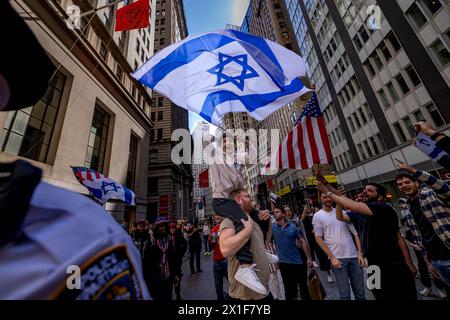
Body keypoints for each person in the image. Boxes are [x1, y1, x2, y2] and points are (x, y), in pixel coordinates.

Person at [318, 178, 418, 300]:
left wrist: (409, 263)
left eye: (370, 191)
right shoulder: (360, 213)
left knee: (401, 295)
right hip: (373, 265)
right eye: (364, 190)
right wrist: (328, 186)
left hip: (392, 264)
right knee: (378, 294)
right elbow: (341, 214)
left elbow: (399, 238)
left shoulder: (382, 207)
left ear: (380, 197)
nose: (365, 192)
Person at [204, 133, 276, 294]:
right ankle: (244, 266)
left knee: (256, 215)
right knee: (243, 223)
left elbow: (240, 180)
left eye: (231, 143)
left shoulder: (236, 162)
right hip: (221, 201)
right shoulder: (216, 158)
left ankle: (261, 251)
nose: (228, 145)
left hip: (232, 200)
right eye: (225, 143)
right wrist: (210, 139)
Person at [395, 162, 450, 293]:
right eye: (400, 184)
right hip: (436, 260)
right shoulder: (407, 209)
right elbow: (420, 238)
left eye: (407, 182)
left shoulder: (431, 195)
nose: (404, 185)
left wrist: (412, 170)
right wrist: (429, 263)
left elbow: (443, 188)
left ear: (417, 183)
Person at [219, 189, 273, 301]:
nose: (251, 198)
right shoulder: (229, 221)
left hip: (263, 290)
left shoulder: (254, 219)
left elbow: (268, 238)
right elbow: (225, 249)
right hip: (243, 295)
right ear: (239, 200)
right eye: (248, 196)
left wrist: (267, 219)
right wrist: (248, 229)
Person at [313, 193, 366, 300]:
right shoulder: (317, 216)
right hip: (338, 259)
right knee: (345, 294)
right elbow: (318, 238)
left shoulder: (343, 213)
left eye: (329, 197)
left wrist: (360, 253)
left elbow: (355, 234)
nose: (328, 199)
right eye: (325, 197)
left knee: (360, 293)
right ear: (320, 199)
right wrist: (332, 257)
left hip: (354, 257)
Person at [271, 207, 313, 300]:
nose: (275, 214)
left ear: (283, 214)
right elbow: (268, 240)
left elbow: (302, 241)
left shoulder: (293, 227)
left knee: (303, 287)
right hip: (284, 263)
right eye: (274, 212)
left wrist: (309, 258)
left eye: (277, 212)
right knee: (289, 289)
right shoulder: (273, 228)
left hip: (297, 262)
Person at [143, 219, 175, 300]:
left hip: (168, 277)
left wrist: (175, 274)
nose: (163, 228)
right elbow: (146, 261)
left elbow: (172, 258)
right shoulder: (152, 241)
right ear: (157, 228)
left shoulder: (169, 239)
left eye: (164, 226)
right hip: (155, 278)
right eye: (161, 226)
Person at [209, 214, 228, 300]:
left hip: (226, 259)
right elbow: (212, 247)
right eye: (216, 215)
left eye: (219, 215)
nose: (217, 217)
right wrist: (211, 241)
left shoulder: (228, 227)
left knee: (232, 283)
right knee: (217, 285)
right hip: (216, 261)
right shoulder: (213, 229)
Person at [170, 223, 187, 300]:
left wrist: (181, 253)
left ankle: (177, 294)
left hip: (177, 260)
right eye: (171, 228)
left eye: (174, 228)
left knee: (177, 277)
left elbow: (185, 244)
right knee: (170, 278)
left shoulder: (178, 235)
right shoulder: (167, 236)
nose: (172, 229)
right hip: (169, 261)